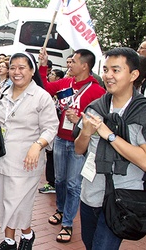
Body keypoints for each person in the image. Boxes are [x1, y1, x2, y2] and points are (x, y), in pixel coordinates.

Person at [74, 47, 146, 250]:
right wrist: (87, 133)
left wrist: (108, 134)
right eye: (106, 69)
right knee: (90, 244)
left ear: (133, 74)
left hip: (122, 199)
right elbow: (79, 149)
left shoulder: (145, 114)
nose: (108, 76)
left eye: (116, 70)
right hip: (90, 193)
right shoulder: (96, 107)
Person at [0, 52, 59, 250]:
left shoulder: (41, 97)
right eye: (12, 67)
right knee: (3, 200)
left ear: (32, 70)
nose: (16, 72)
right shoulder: (4, 92)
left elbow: (51, 127)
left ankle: (27, 235)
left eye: (21, 68)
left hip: (27, 161)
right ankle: (10, 241)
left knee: (18, 203)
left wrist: (38, 145)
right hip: (2, 158)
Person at [38, 48, 106, 243]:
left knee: (73, 184)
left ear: (84, 65)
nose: (69, 64)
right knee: (59, 179)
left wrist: (80, 121)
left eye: (73, 61)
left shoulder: (97, 91)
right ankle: (60, 209)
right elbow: (44, 88)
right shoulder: (65, 83)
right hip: (60, 138)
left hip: (78, 144)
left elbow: (99, 122)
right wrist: (43, 66)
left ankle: (67, 223)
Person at [38, 68, 65, 195]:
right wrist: (42, 67)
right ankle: (52, 183)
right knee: (51, 158)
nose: (50, 76)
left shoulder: (95, 88)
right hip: (57, 134)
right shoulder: (57, 90)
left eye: (53, 74)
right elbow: (44, 86)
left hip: (71, 135)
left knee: (71, 182)